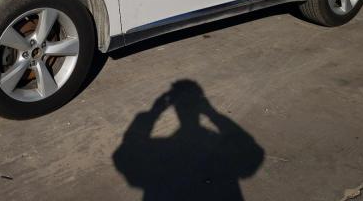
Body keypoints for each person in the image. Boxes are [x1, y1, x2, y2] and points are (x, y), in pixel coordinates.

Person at [113, 80, 265, 200]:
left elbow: (124, 155)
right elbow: (253, 154)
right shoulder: (215, 144)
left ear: (174, 108)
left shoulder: (160, 148)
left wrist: (154, 111)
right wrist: (213, 114)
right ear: (200, 106)